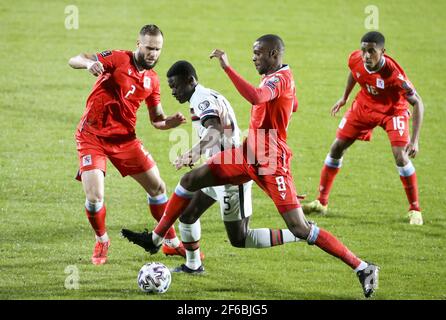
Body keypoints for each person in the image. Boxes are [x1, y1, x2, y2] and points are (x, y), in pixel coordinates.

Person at [122, 34, 379, 297]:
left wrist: (226, 67)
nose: (253, 57)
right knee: (190, 180)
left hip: (269, 160)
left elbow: (257, 98)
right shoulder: (277, 78)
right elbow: (293, 104)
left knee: (299, 228)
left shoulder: (278, 79)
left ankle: (362, 267)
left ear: (274, 54)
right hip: (247, 154)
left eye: (258, 53)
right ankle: (156, 239)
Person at [123, 60, 301, 274]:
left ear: (190, 80)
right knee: (187, 215)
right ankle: (193, 265)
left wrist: (194, 151)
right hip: (215, 171)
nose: (173, 91)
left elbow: (214, 129)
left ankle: (298, 232)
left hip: (231, 175)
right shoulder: (203, 96)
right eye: (170, 87)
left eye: (175, 86)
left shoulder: (201, 100)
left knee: (240, 238)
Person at [68, 24, 188, 265]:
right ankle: (102, 240)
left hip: (125, 140)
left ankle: (171, 243)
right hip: (93, 136)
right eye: (149, 48)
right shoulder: (118, 59)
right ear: (138, 45)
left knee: (158, 188)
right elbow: (76, 58)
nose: (153, 53)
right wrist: (88, 64)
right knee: (94, 196)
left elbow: (157, 120)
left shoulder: (153, 81)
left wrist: (170, 123)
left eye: (157, 49)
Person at [302, 31, 424, 225]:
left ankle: (415, 209)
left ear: (382, 51)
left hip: (393, 112)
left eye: (372, 52)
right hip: (364, 106)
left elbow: (417, 103)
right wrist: (344, 97)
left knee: (401, 156)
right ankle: (321, 202)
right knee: (336, 147)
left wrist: (415, 140)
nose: (366, 56)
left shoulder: (395, 75)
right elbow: (354, 72)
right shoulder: (356, 59)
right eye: (364, 51)